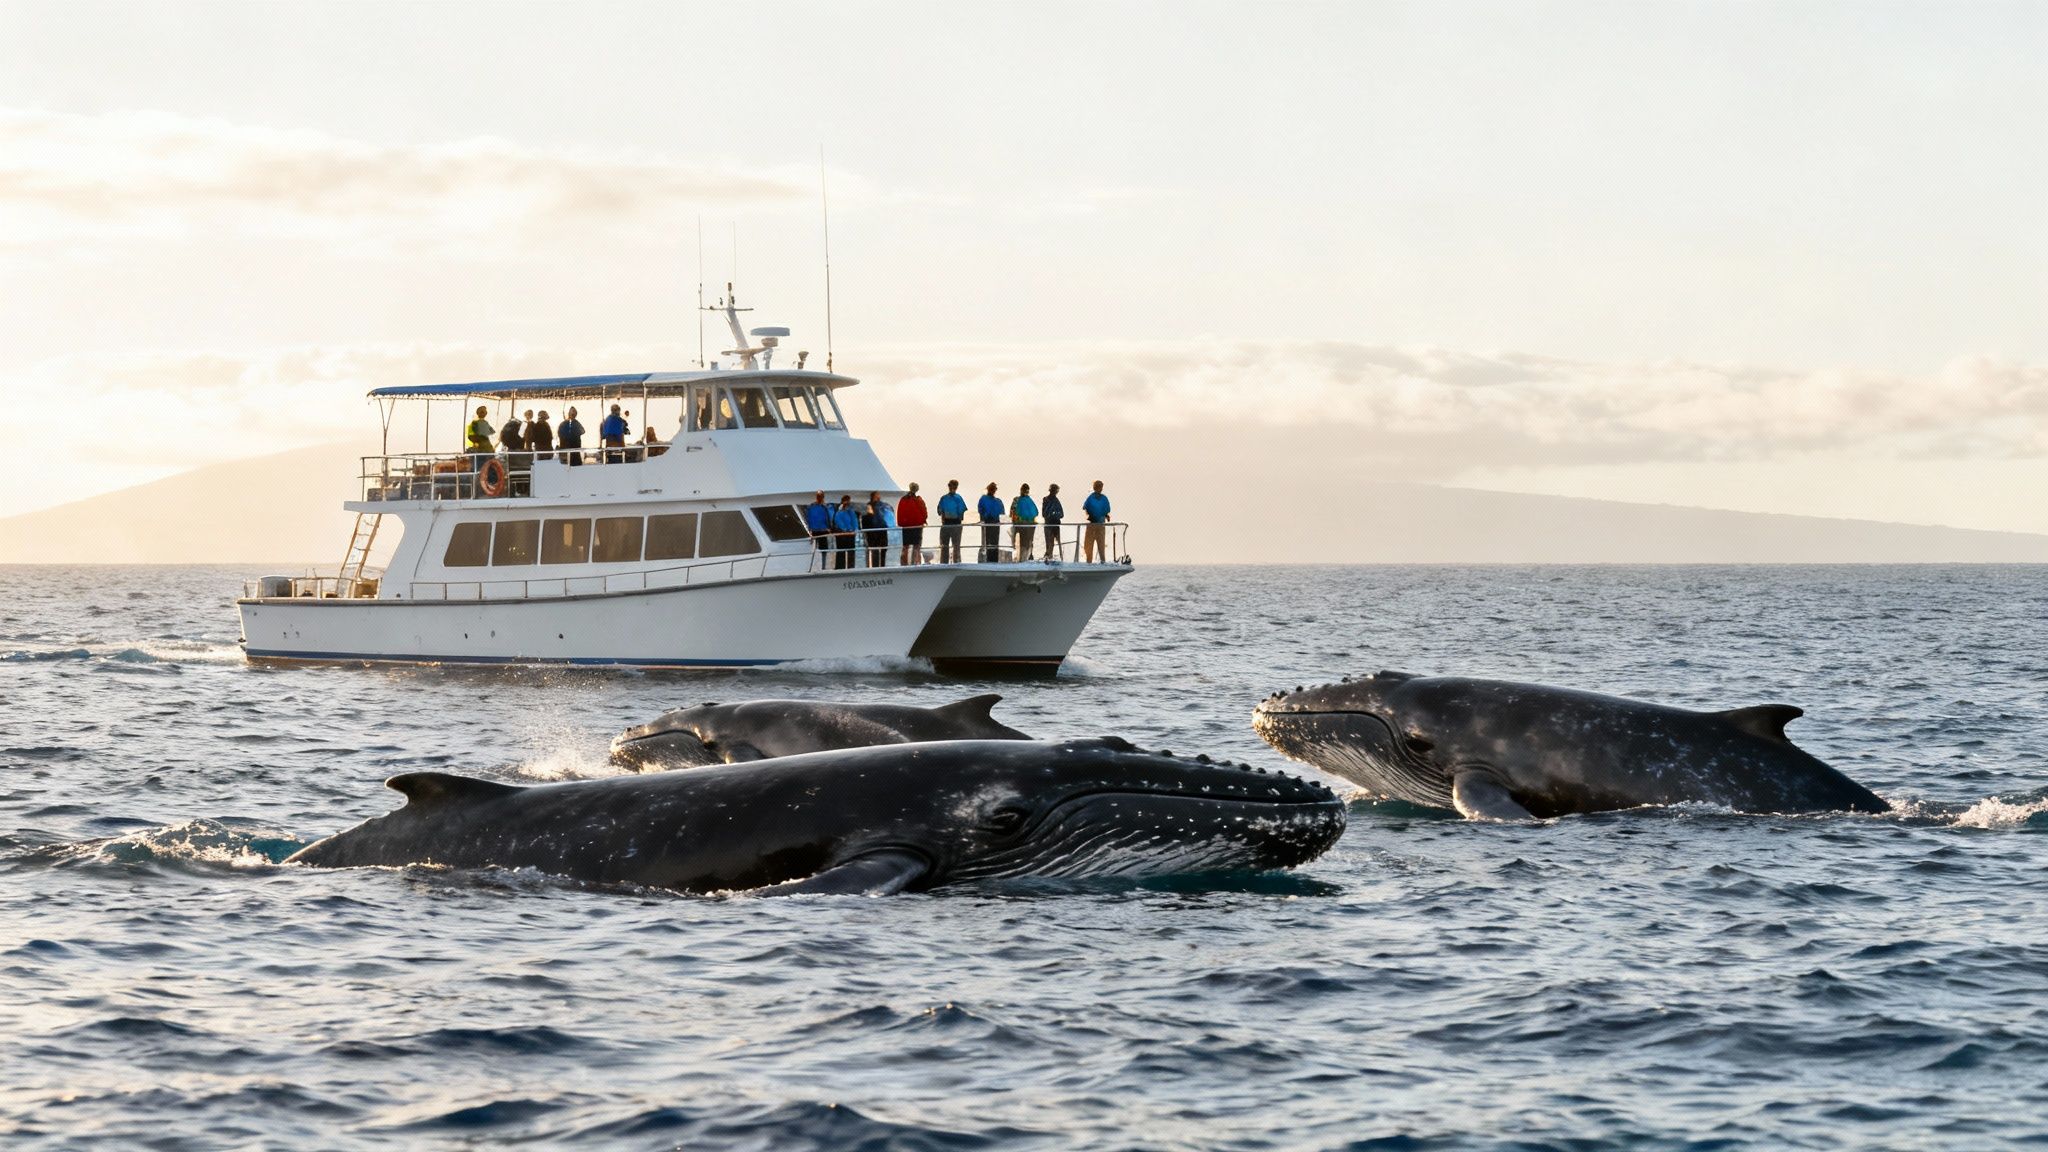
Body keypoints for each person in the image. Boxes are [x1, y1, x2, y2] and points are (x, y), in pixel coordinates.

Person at [935, 480, 966, 564]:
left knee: (947, 546)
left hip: (948, 524)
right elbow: (962, 512)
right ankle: (956, 562)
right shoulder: (957, 498)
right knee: (953, 546)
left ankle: (946, 563)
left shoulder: (945, 498)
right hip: (953, 524)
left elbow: (939, 511)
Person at [897, 482, 928, 565]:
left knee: (905, 546)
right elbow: (924, 512)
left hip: (906, 526)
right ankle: (915, 562)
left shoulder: (903, 500)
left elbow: (900, 512)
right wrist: (923, 521)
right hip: (917, 526)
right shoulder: (918, 500)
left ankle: (904, 563)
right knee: (916, 546)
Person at [1082, 479, 1112, 563]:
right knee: (1093, 545)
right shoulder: (1097, 498)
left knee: (1096, 545)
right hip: (1097, 524)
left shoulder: (1096, 498)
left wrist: (1105, 515)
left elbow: (1085, 508)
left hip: (1096, 524)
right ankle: (1094, 562)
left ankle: (1095, 561)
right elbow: (1106, 510)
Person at [1010, 483, 1039, 561]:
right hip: (1029, 525)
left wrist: (1014, 519)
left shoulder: (1017, 500)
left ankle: (1015, 557)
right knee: (1027, 542)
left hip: (1018, 524)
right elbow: (1036, 512)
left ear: (1021, 490)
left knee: (1013, 542)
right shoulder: (1030, 500)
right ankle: (1026, 558)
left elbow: (1013, 512)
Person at [831, 495, 861, 570]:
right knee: (841, 552)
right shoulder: (839, 511)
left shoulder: (850, 511)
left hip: (850, 534)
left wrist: (854, 529)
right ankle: (840, 567)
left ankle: (850, 567)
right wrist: (845, 529)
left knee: (850, 551)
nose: (848, 502)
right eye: (847, 501)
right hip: (842, 534)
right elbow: (837, 520)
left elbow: (854, 521)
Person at [977, 482, 1005, 563]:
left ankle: (993, 559)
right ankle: (990, 559)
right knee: (990, 541)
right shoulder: (986, 499)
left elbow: (1001, 512)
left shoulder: (996, 501)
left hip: (994, 522)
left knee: (993, 542)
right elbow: (981, 510)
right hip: (989, 521)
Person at [805, 490, 833, 566]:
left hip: (814, 531)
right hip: (823, 530)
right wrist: (829, 528)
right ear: (823, 497)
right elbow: (828, 518)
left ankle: (813, 565)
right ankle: (823, 566)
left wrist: (810, 529)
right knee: (824, 550)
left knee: (814, 549)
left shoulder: (811, 507)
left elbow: (808, 519)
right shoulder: (824, 507)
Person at [862, 493, 889, 568]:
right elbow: (869, 518)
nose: (879, 497)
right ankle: (874, 566)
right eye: (877, 496)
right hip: (873, 533)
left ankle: (881, 566)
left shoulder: (881, 506)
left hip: (881, 530)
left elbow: (884, 517)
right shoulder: (870, 506)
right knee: (874, 551)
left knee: (882, 550)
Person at [1042, 483, 1065, 560]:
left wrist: (1055, 514)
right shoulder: (1047, 500)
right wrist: (1053, 514)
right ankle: (1048, 557)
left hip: (1054, 524)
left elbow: (1061, 514)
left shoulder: (1055, 501)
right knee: (1050, 543)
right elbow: (1044, 514)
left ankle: (1051, 557)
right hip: (1050, 524)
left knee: (1054, 543)